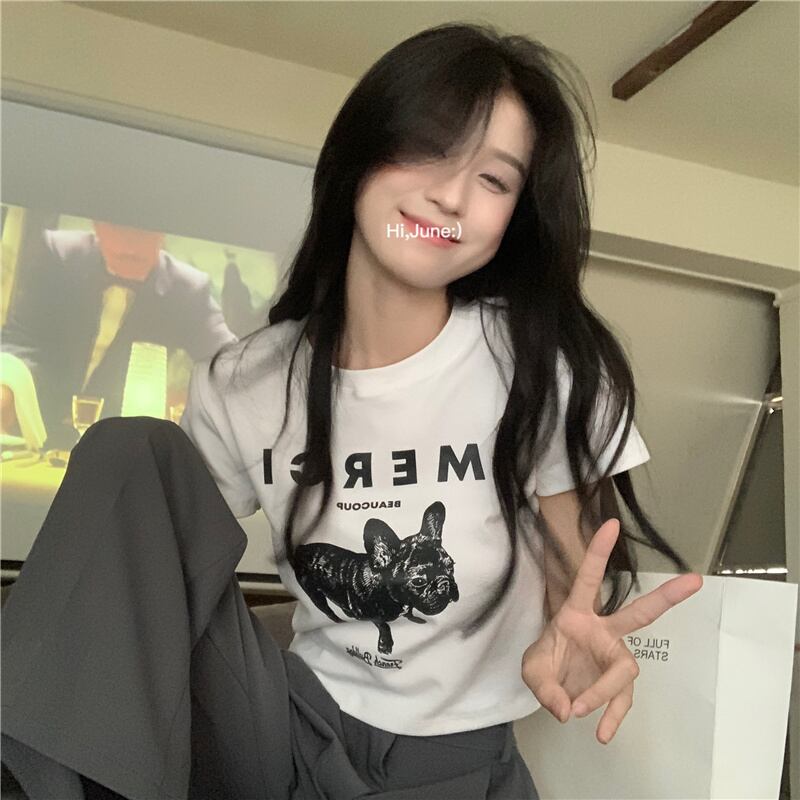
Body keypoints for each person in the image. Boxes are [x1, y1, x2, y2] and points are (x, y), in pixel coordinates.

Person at [0, 22, 703, 800]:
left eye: (494, 179)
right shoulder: (245, 380)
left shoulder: (540, 363)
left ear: (515, 215)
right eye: (431, 148)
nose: (451, 195)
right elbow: (159, 557)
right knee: (133, 454)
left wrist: (570, 633)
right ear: (364, 150)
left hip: (457, 764)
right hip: (287, 728)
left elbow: (577, 578)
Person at [0, 220, 236, 449]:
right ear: (97, 224)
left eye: (144, 230)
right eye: (119, 227)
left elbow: (231, 363)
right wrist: (7, 384)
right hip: (30, 435)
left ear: (162, 232)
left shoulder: (187, 290)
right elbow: (20, 337)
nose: (131, 247)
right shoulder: (58, 254)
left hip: (117, 449)